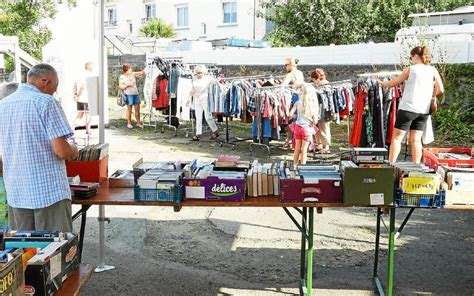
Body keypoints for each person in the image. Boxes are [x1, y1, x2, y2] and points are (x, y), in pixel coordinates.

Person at [0, 63, 78, 231]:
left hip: (17, 192)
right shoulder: (46, 102)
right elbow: (62, 151)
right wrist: (74, 149)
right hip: (49, 193)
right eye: (54, 87)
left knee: (24, 251)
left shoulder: (3, 105)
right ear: (46, 82)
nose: (54, 92)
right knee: (54, 250)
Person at [379, 46, 444, 164]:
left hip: (408, 109)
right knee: (416, 140)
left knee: (397, 139)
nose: (411, 59)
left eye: (411, 57)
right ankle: (416, 167)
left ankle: (391, 165)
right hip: (423, 110)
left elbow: (394, 83)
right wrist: (432, 96)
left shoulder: (410, 69)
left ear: (415, 56)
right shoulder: (433, 70)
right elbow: (441, 89)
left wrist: (382, 83)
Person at [289, 84, 319, 164]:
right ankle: (303, 166)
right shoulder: (312, 105)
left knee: (297, 148)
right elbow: (315, 121)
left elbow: (290, 114)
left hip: (297, 127)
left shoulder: (297, 102)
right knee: (304, 149)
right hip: (306, 128)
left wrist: (295, 116)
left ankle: (295, 164)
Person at [187, 65, 219, 141]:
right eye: (197, 73)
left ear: (204, 73)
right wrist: (188, 99)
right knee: (198, 117)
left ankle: (215, 130)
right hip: (197, 99)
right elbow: (191, 90)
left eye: (201, 73)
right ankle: (198, 133)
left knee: (208, 117)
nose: (199, 74)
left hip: (205, 99)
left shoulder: (208, 79)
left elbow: (216, 83)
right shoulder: (194, 79)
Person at [282, 57, 305, 149]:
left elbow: (282, 87)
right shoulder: (300, 73)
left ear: (290, 65)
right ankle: (295, 141)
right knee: (299, 119)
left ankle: (290, 141)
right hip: (302, 96)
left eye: (286, 65)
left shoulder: (290, 75)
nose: (285, 67)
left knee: (290, 119)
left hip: (293, 97)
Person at [311, 68, 331, 154]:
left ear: (317, 78)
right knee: (319, 128)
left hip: (322, 110)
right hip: (321, 110)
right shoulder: (323, 85)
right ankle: (320, 144)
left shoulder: (323, 86)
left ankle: (326, 146)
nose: (313, 81)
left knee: (323, 128)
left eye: (314, 79)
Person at [119, 63, 144, 129]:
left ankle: (138, 123)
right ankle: (129, 123)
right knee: (129, 109)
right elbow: (121, 86)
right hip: (128, 94)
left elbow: (142, 73)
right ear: (127, 69)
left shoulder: (132, 74)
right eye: (130, 68)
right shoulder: (122, 77)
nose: (131, 69)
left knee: (137, 109)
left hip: (136, 94)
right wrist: (128, 85)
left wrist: (148, 67)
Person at [72, 61, 93, 134]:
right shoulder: (89, 75)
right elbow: (83, 87)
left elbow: (74, 85)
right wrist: (78, 95)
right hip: (86, 99)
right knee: (88, 115)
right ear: (90, 67)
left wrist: (75, 94)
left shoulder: (80, 75)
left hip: (80, 100)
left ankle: (72, 129)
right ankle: (88, 130)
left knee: (79, 115)